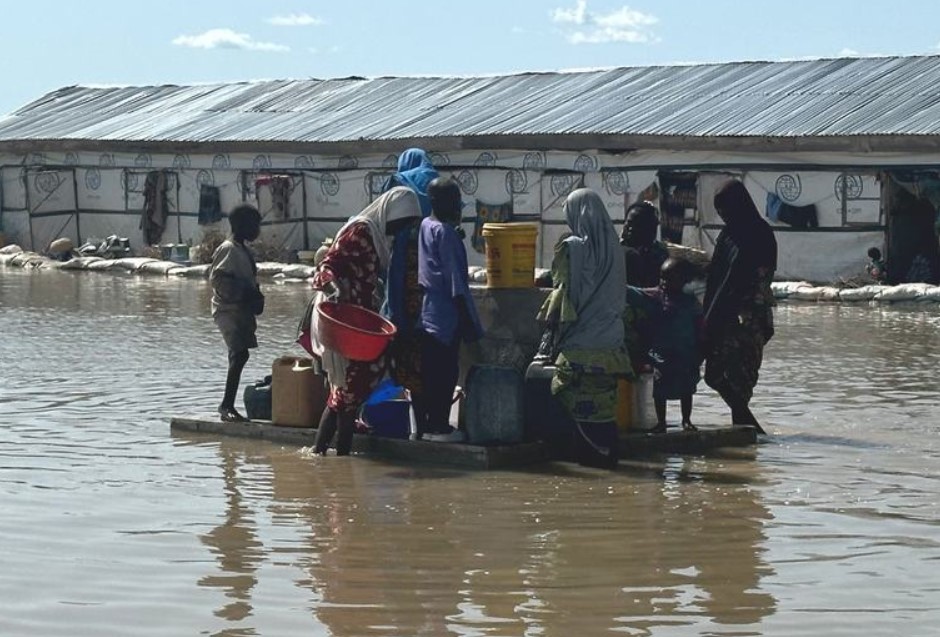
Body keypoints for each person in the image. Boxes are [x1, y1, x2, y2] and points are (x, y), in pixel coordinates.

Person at [303, 187, 422, 455]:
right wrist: (334, 289)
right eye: (399, 225)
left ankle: (326, 455)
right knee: (347, 390)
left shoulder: (379, 236)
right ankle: (333, 456)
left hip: (362, 322)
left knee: (347, 392)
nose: (399, 231)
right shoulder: (360, 232)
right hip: (342, 321)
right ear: (389, 215)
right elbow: (327, 266)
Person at [536, 188, 633, 469]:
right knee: (604, 408)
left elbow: (562, 297)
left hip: (582, 345)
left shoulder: (572, 249)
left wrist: (548, 341)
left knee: (577, 405)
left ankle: (592, 465)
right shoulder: (616, 249)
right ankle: (609, 463)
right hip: (613, 346)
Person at [702, 180, 776, 434]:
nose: (723, 216)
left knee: (740, 378)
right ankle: (747, 432)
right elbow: (717, 276)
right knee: (715, 374)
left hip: (748, 316)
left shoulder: (759, 233)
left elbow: (746, 277)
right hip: (723, 314)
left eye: (726, 210)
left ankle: (748, 435)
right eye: (719, 212)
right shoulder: (729, 235)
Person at [417, 177, 483, 440]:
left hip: (427, 312)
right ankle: (440, 428)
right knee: (445, 374)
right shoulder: (445, 233)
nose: (459, 209)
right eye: (455, 204)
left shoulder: (426, 225)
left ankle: (426, 427)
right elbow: (456, 285)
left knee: (430, 374)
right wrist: (470, 328)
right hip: (446, 315)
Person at [383, 149, 438, 431]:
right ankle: (434, 424)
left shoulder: (399, 187)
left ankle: (420, 426)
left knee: (410, 365)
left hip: (407, 296)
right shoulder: (436, 189)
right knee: (433, 364)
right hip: (433, 300)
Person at [627, 258, 703, 433]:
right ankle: (661, 422)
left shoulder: (691, 302)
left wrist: (700, 351)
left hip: (686, 353)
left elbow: (700, 326)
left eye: (670, 278)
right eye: (662, 277)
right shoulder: (656, 296)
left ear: (685, 281)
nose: (664, 282)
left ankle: (686, 420)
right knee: (660, 388)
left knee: (687, 389)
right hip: (661, 353)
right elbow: (634, 293)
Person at [210, 204, 264, 422]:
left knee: (241, 355)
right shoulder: (228, 249)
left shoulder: (242, 250)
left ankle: (227, 405)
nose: (257, 230)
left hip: (239, 310)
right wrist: (246, 293)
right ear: (241, 225)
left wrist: (256, 297)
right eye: (254, 225)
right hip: (227, 310)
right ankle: (226, 406)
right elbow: (219, 280)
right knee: (239, 354)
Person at [621, 200, 669, 287]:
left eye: (637, 225)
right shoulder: (616, 251)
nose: (631, 229)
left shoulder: (659, 255)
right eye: (629, 223)